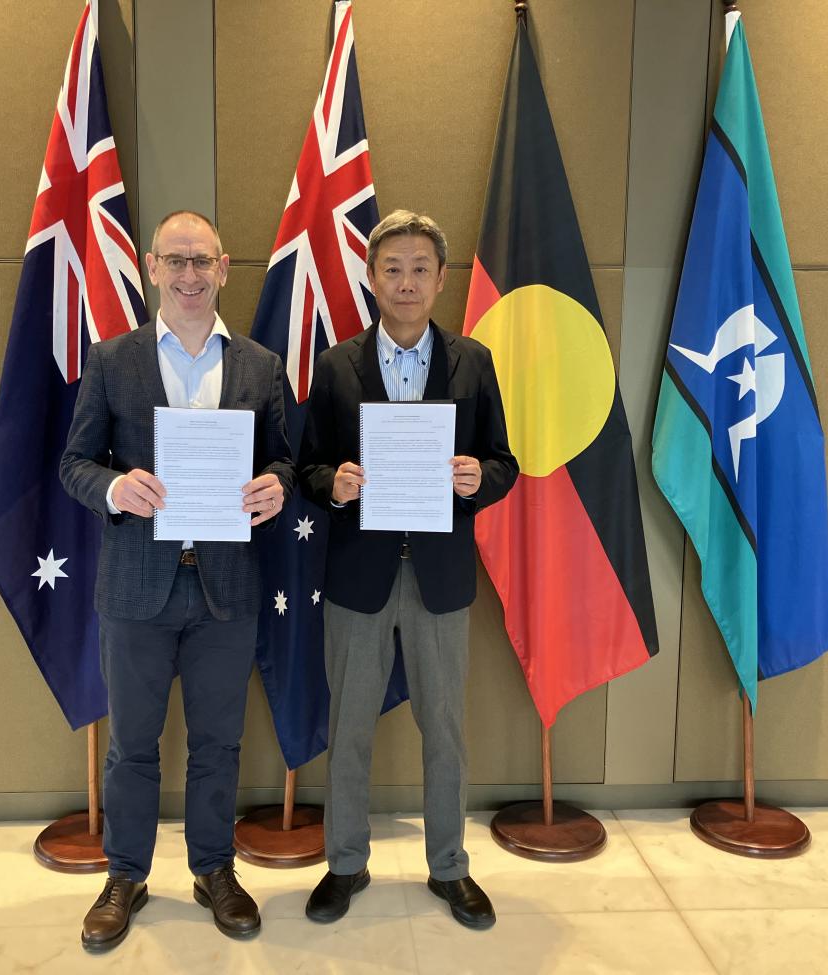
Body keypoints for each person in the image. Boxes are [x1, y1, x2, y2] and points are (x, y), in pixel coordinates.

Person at [60, 210, 294, 951]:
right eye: (176, 262)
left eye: (203, 262)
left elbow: (287, 459)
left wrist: (276, 487)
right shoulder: (110, 359)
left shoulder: (260, 365)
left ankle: (213, 869)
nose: (190, 276)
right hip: (136, 586)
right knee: (132, 745)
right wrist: (112, 487)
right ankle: (125, 874)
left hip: (227, 588)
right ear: (152, 267)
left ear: (225, 268)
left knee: (218, 742)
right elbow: (74, 463)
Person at [298, 210, 518, 929]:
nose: (406, 281)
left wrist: (474, 479)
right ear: (370, 276)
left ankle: (449, 865)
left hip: (439, 575)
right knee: (350, 722)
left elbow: (504, 464)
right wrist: (334, 484)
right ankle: (345, 862)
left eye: (421, 268)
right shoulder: (336, 366)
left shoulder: (473, 361)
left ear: (440, 279)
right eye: (392, 267)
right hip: (359, 574)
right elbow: (307, 467)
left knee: (445, 726)